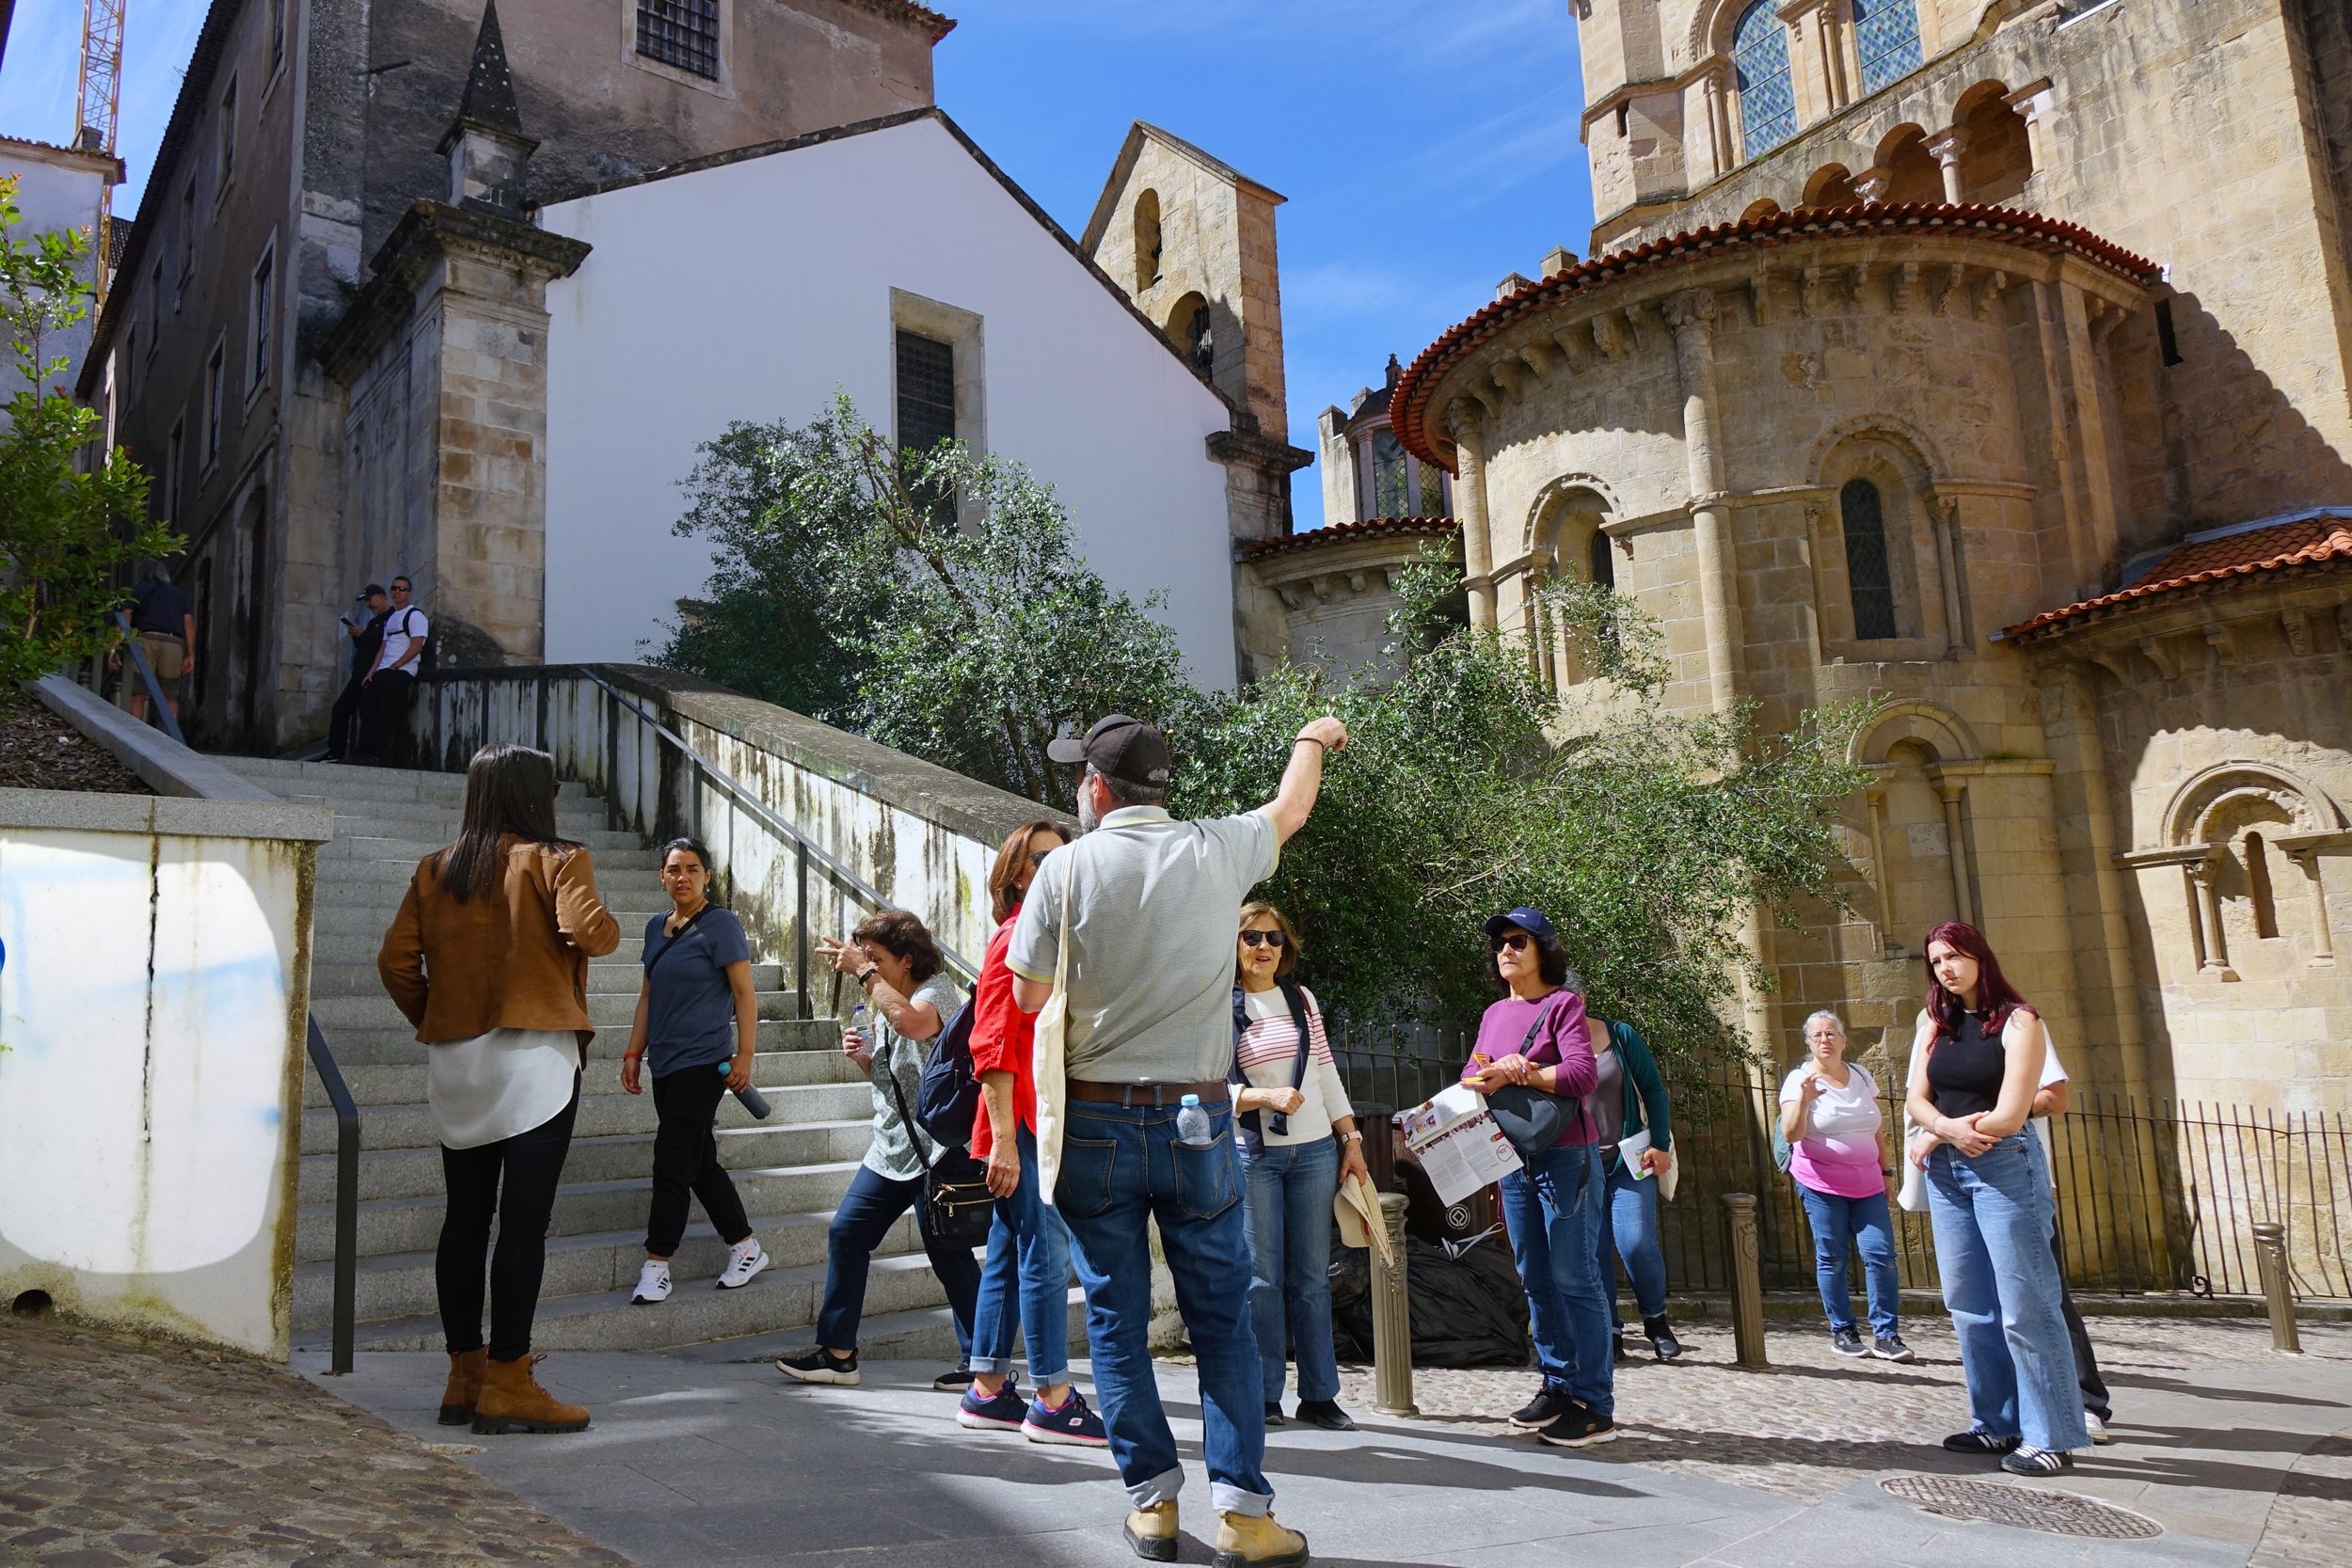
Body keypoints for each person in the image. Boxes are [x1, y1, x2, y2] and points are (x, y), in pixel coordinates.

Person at [1009, 712, 1344, 1568]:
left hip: (1095, 1119)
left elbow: (1026, 994)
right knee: (1224, 1315)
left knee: (1119, 1318)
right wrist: (1313, 734)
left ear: (1095, 788)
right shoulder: (1219, 849)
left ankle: (1153, 1506)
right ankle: (1244, 1514)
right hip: (1200, 1117)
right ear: (1164, 786)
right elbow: (1293, 806)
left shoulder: (1065, 868)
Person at [376, 743, 620, 1435]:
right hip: (536, 1054)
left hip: (457, 1059)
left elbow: (394, 961)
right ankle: (510, 1379)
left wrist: (437, 1015)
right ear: (534, 794)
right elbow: (587, 932)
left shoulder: (436, 867)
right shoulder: (559, 856)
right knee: (523, 1221)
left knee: (465, 1217)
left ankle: (466, 1373)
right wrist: (610, 923)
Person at [1903, 920, 2088, 1476]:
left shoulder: (2019, 1021)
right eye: (1937, 961)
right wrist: (1940, 1130)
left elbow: (2012, 1114)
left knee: (2025, 1304)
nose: (1946, 968)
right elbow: (1915, 1097)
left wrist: (1947, 1129)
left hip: (2004, 1164)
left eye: (1955, 956)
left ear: (1981, 957)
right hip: (1949, 1170)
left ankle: (2051, 1435)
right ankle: (1997, 1423)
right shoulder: (1934, 1022)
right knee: (1969, 1304)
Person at [774, 911, 979, 1388]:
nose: (869, 966)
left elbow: (913, 1024)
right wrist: (866, 1060)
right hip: (892, 1148)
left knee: (949, 1253)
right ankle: (838, 1354)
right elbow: (901, 1082)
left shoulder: (937, 993)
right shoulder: (887, 999)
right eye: (866, 957)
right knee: (847, 1234)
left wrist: (863, 973)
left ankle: (981, 1364)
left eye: (877, 958)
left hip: (939, 1149)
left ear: (907, 960)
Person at [957, 819, 1107, 1445]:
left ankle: (988, 1387)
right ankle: (1051, 1395)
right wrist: (1005, 1142)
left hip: (1033, 1118)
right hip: (1020, 1120)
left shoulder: (1045, 935)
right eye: (1043, 857)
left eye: (1064, 856)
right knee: (1043, 1253)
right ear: (1018, 871)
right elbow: (989, 1046)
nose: (1056, 866)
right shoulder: (1018, 935)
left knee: (1012, 1248)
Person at [1461, 908, 1613, 1449]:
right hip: (1515, 1157)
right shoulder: (1494, 1013)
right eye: (1501, 942)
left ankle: (1595, 1404)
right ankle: (1556, 1385)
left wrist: (1522, 1071)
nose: (1507, 950)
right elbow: (1470, 1075)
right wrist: (1495, 1071)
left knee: (1576, 1276)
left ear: (1543, 948)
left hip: (1567, 1155)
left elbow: (1581, 1074)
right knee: (1534, 1276)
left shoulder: (1563, 1004)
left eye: (1519, 941)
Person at [1231, 900, 1368, 1433]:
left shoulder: (1301, 998)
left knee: (1312, 1278)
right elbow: (1208, 1087)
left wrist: (1351, 1141)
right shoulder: (1221, 1004)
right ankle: (1265, 1394)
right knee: (1261, 1280)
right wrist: (1263, 1095)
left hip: (1314, 1152)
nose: (1264, 947)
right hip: (1254, 1154)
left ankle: (1320, 1396)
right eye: (1251, 938)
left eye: (1274, 938)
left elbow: (1326, 1073)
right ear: (1235, 945)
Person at [621, 838, 769, 1306]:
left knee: (670, 1159)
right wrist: (632, 1052)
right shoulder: (654, 929)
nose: (681, 876)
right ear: (661, 877)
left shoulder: (721, 924)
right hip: (665, 1062)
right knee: (697, 1160)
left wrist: (745, 1055)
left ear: (706, 876)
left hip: (704, 1062)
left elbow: (744, 994)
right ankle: (745, 1247)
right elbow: (648, 996)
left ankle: (657, 1263)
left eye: (692, 868)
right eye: (673, 869)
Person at [1780, 1010, 1910, 1362]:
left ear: (1843, 1040)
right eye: (1818, 1035)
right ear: (1808, 1043)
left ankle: (1886, 1334)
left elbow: (1875, 1129)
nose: (1825, 1040)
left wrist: (1885, 1172)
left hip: (1867, 1183)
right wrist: (1805, 1101)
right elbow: (1791, 1134)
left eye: (1831, 1033)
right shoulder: (1799, 1080)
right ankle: (1843, 1329)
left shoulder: (1861, 1076)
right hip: (1821, 1183)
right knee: (1833, 1257)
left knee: (1881, 1254)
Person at [2032, 1048, 2117, 1445]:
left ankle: (2085, 1400)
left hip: (2023, 1178)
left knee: (2050, 1296)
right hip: (1962, 1178)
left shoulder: (2018, 1021)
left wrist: (1994, 1115)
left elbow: (2054, 1096)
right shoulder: (1935, 1023)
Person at [1590, 1016, 1681, 1363]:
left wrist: (1659, 1142)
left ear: (1581, 999)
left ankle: (1656, 1320)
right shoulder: (1550, 1043)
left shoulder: (1620, 1035)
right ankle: (1609, 1330)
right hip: (1582, 1165)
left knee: (1636, 1242)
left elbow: (1653, 1089)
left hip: (1630, 1159)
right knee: (1593, 1251)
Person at [355, 576, 428, 764]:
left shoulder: (416, 616)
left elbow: (416, 646)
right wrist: (372, 672)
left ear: (409, 593)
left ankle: (378, 754)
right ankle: (364, 752)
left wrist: (397, 665)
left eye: (402, 589)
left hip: (399, 672)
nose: (397, 592)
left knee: (387, 713)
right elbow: (382, 648)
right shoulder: (391, 618)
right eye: (394, 588)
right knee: (367, 709)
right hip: (382, 671)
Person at [123, 565, 195, 725]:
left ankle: (136, 733)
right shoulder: (179, 594)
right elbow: (188, 622)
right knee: (169, 693)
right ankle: (170, 737)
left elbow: (126, 617)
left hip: (145, 639)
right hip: (173, 642)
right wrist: (190, 654)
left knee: (138, 692)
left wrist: (113, 648)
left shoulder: (137, 590)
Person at [326, 584, 390, 762]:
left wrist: (363, 634)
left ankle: (366, 752)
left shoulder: (391, 619)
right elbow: (366, 645)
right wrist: (358, 636)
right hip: (360, 674)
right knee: (341, 709)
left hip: (373, 674)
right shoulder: (373, 622)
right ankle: (335, 752)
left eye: (369, 600)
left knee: (367, 712)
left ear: (380, 597)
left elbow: (384, 645)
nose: (368, 604)